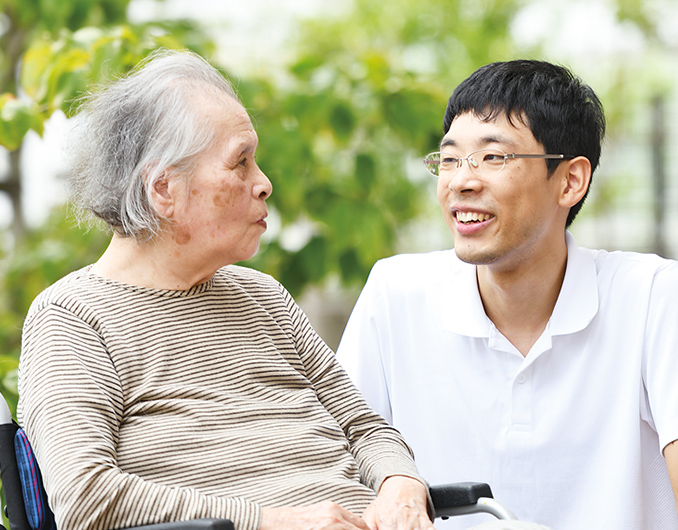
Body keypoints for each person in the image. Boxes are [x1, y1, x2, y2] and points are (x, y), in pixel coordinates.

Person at [17, 49, 435, 530]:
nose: (265, 184)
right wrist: (273, 522)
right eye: (240, 163)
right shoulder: (72, 319)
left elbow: (365, 428)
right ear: (164, 189)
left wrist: (400, 485)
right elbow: (86, 497)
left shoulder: (264, 297)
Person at [336, 60, 678, 530]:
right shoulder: (396, 293)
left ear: (571, 181)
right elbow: (342, 467)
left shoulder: (654, 296)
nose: (460, 181)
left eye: (493, 158)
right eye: (450, 158)